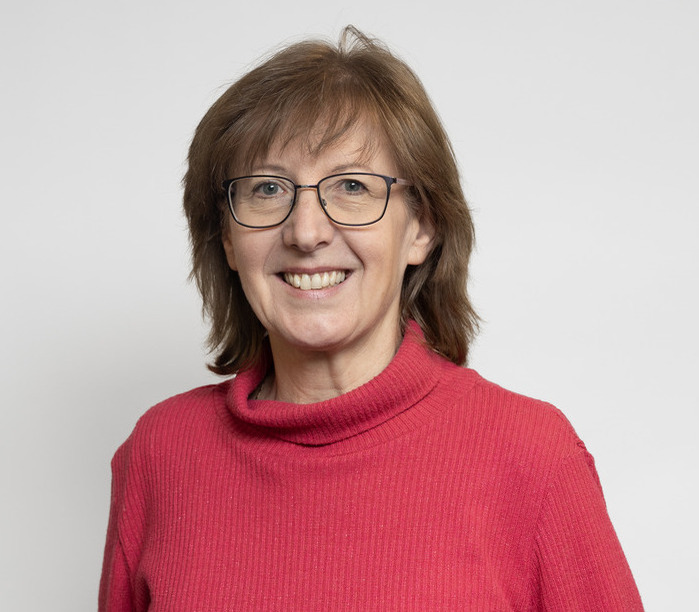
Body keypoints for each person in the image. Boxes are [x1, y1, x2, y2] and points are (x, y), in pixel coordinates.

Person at [99, 26, 643, 611]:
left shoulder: (532, 456)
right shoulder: (160, 453)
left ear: (422, 227)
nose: (306, 232)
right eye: (267, 189)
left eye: (352, 186)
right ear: (227, 238)